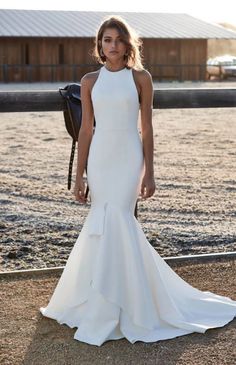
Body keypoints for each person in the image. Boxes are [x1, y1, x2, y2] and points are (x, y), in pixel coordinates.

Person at [40, 15, 236, 347]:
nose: (112, 45)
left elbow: (147, 128)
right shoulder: (89, 80)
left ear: (127, 44)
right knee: (102, 221)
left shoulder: (141, 78)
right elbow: (86, 130)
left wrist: (150, 172)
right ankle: (99, 300)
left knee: (120, 220)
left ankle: (130, 304)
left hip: (128, 158)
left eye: (118, 39)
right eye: (106, 40)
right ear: (100, 45)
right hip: (100, 158)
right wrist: (79, 175)